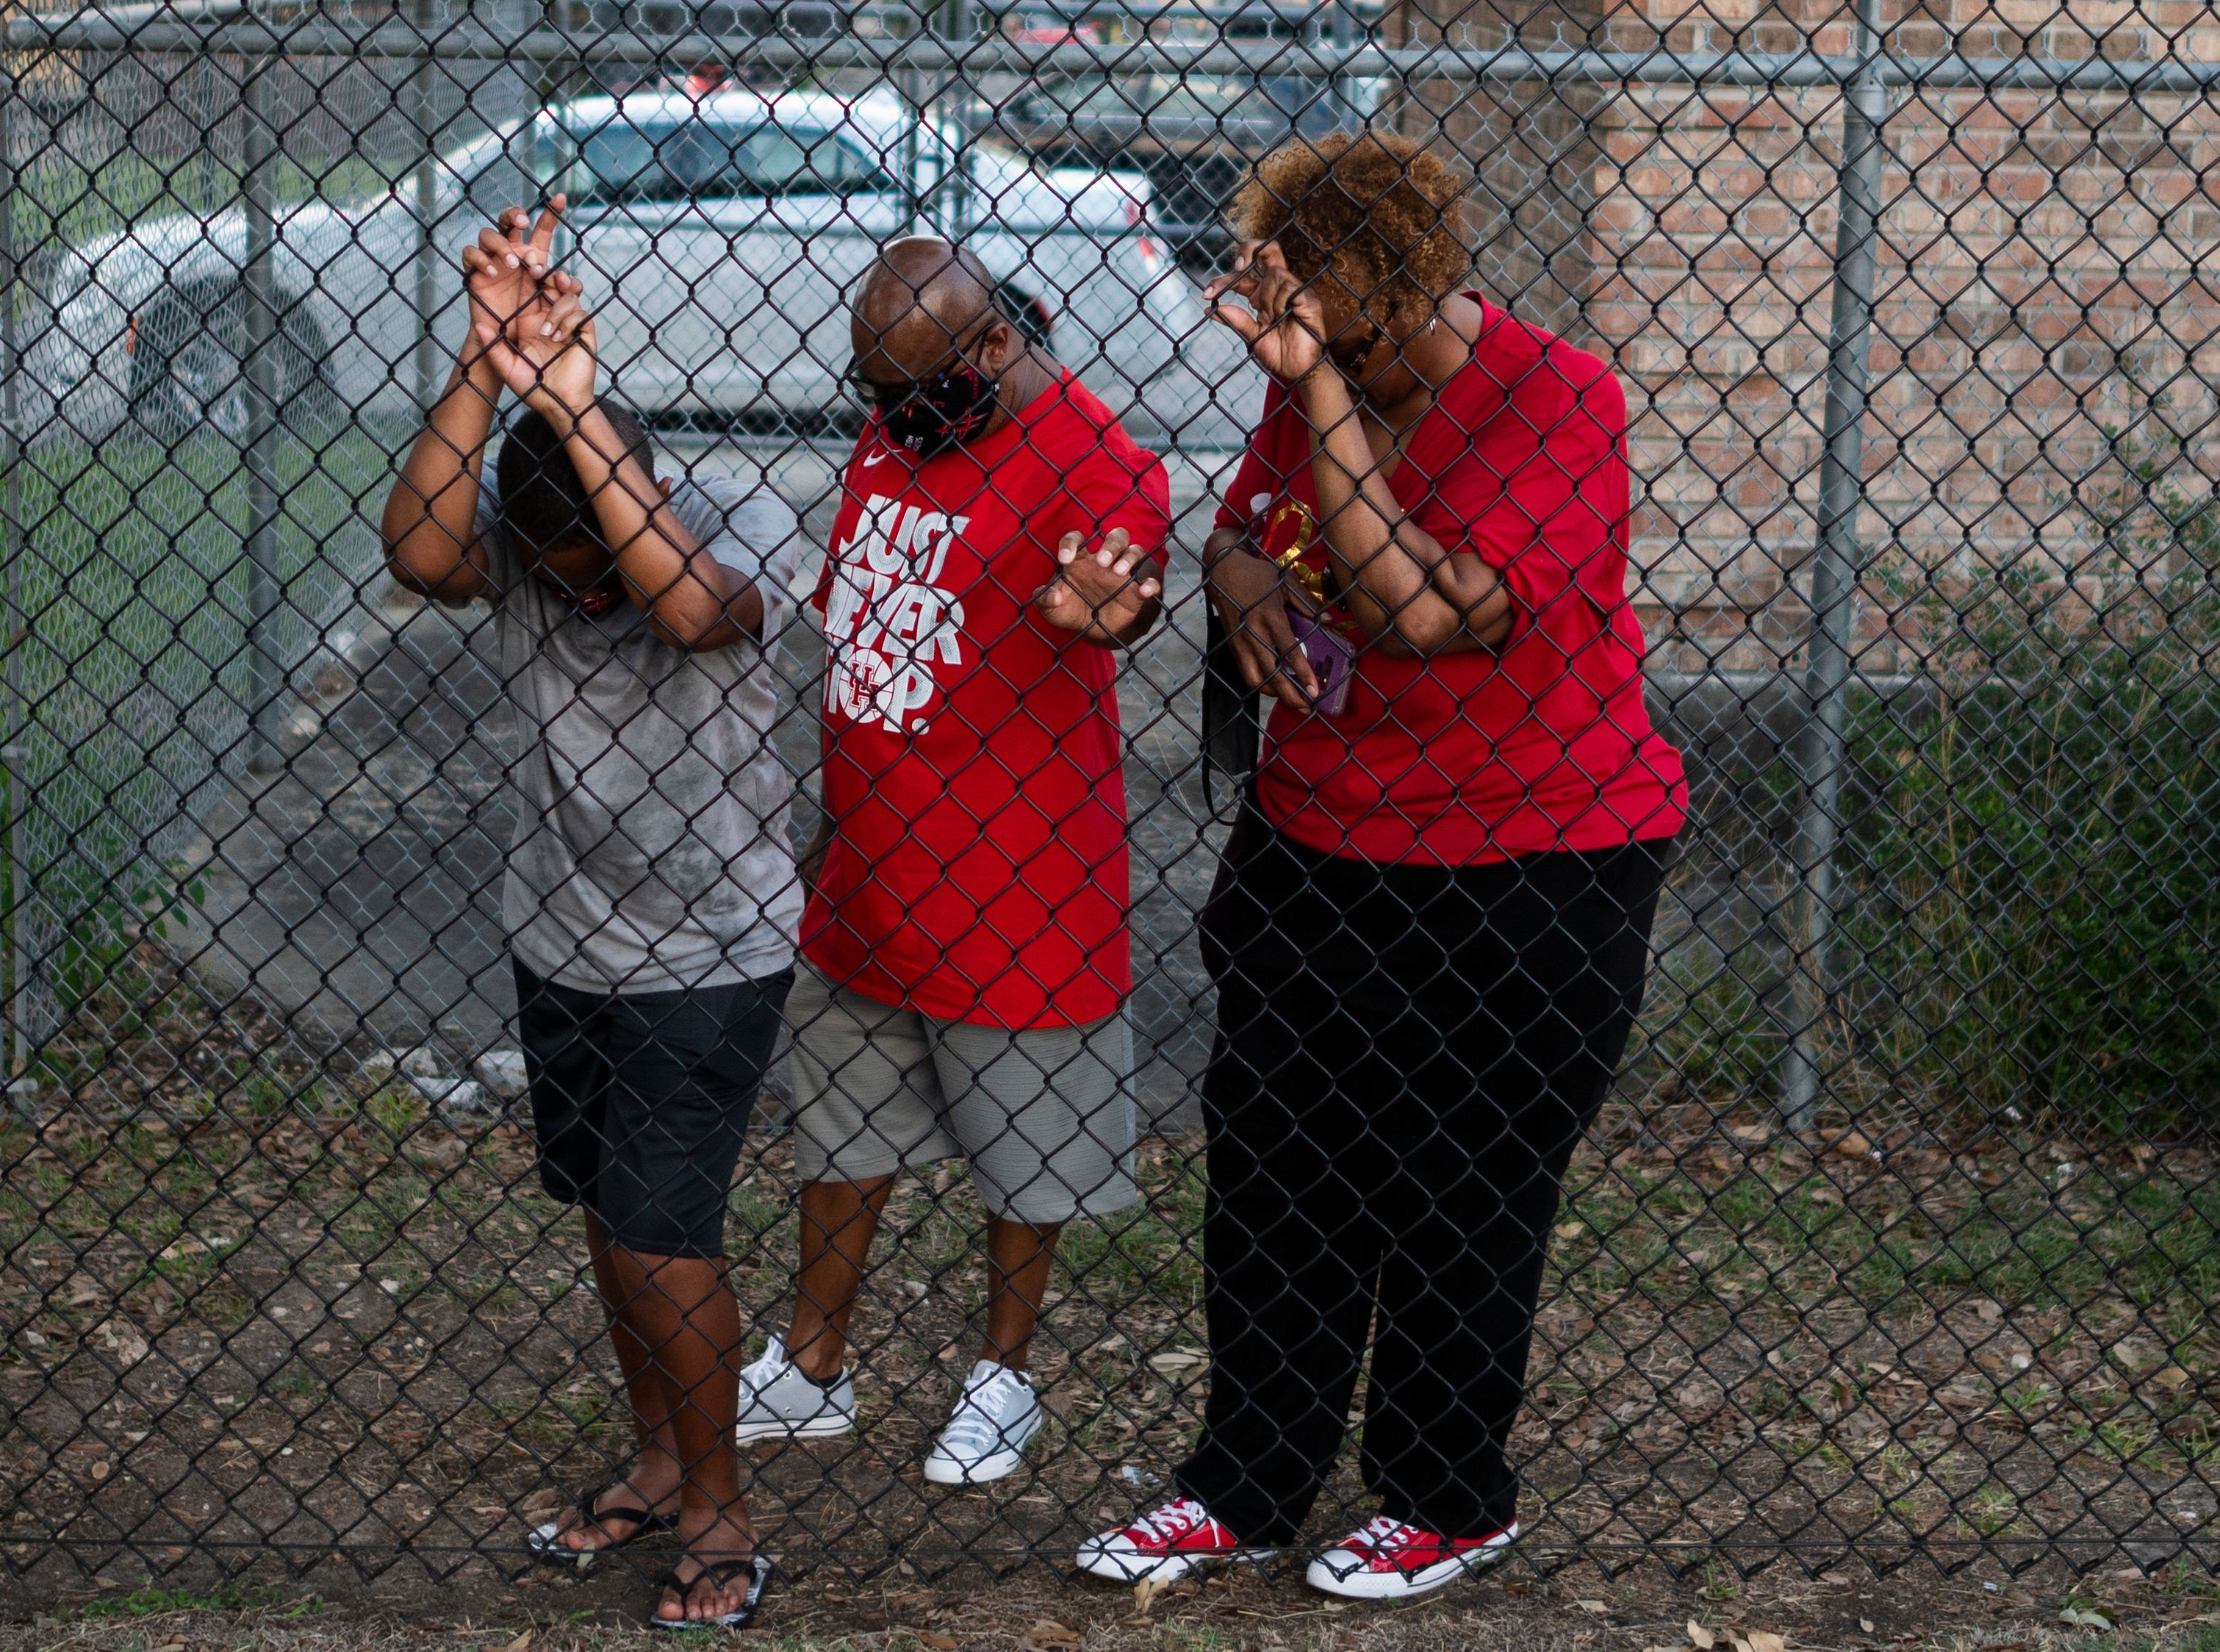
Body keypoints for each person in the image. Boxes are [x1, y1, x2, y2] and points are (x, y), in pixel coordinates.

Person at [1078, 132, 1690, 1601]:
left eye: (1344, 324)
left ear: (1410, 293)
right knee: (1277, 1177)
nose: (1317, 350)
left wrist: (1322, 391)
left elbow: (1428, 609)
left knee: (1459, 1192)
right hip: (1318, 848)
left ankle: (1446, 1494)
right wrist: (1241, 578)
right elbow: (1242, 530)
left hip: (1529, 864)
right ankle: (1246, 1480)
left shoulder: (1557, 397)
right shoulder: (1314, 391)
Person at [378, 199, 802, 1630]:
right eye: (560, 581)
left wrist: (577, 402)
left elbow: (689, 609)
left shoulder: (734, 515)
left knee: (661, 1228)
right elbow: (420, 555)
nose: (582, 600)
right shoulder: (524, 545)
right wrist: (487, 367)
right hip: (562, 932)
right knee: (608, 1226)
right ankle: (663, 1460)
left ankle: (728, 1509)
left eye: (591, 574)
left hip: (713, 945)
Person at [736, 237, 1171, 1487]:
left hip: (1016, 887)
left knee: (1025, 1145)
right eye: (878, 392)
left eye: (917, 388)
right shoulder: (907, 419)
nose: (894, 415)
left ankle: (1004, 1379)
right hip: (871, 864)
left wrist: (1114, 606)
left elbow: (1126, 569)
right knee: (841, 1129)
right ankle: (815, 1364)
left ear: (993, 345)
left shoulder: (1091, 454)